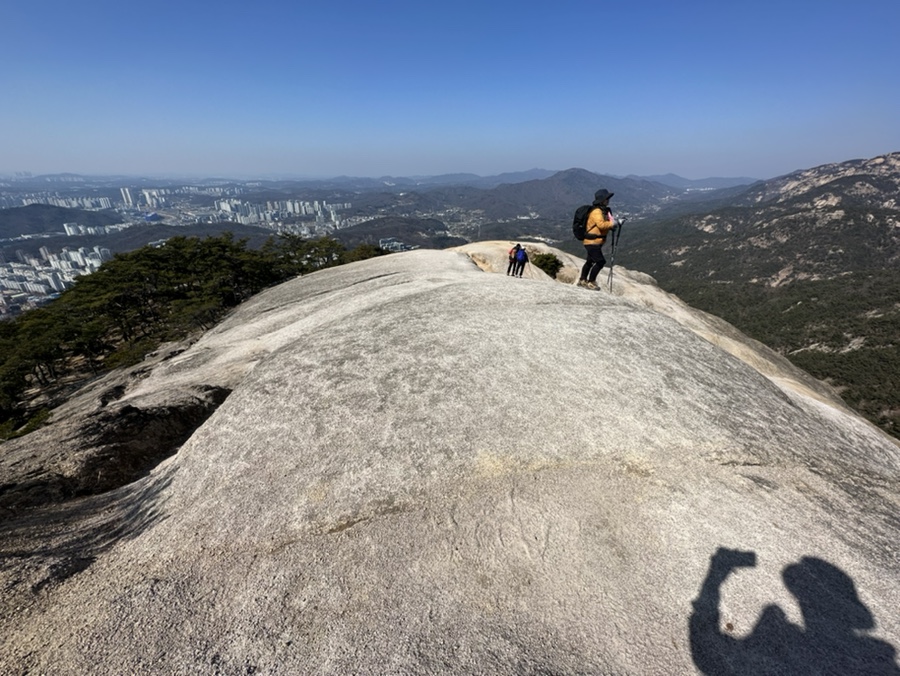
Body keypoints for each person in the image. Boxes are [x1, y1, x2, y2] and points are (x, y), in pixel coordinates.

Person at [578, 188, 617, 290]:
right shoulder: (596, 211)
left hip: (594, 242)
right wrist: (613, 224)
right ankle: (591, 282)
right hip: (592, 242)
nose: (608, 201)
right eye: (606, 199)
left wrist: (611, 225)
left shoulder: (602, 211)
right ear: (602, 200)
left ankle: (582, 280)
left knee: (590, 261)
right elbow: (601, 225)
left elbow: (604, 225)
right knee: (600, 262)